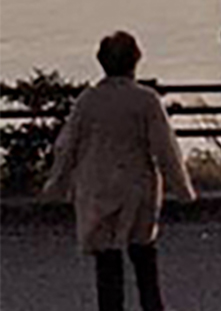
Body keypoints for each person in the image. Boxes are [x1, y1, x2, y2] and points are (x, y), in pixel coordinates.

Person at [43, 31, 196, 311]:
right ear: (135, 61)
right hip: (138, 188)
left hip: (99, 188)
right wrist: (183, 189)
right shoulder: (146, 100)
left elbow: (67, 146)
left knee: (107, 265)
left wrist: (57, 185)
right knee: (145, 260)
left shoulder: (88, 101)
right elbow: (166, 149)